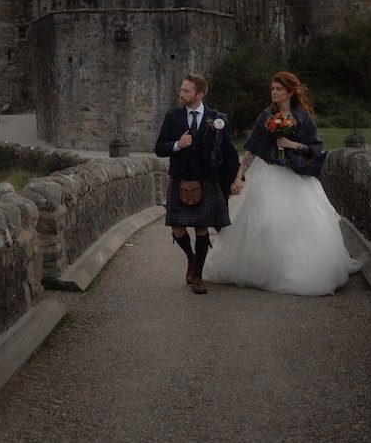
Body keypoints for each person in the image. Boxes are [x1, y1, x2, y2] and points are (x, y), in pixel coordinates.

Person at [202, 71, 360, 296]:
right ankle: (260, 268)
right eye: (272, 89)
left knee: (296, 223)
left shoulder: (302, 118)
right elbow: (252, 150)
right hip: (267, 172)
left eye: (278, 89)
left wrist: (291, 144)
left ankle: (293, 269)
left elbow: (314, 148)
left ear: (289, 91)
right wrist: (238, 177)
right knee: (264, 219)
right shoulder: (266, 116)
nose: (274, 92)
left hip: (295, 174)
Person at [154, 73, 239, 294]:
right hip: (180, 179)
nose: (181, 94)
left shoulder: (216, 119)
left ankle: (199, 276)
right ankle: (191, 258)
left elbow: (229, 152)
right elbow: (159, 148)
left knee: (202, 228)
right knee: (177, 229)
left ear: (199, 94)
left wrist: (235, 179)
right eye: (181, 89)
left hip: (206, 180)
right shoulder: (173, 117)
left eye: (186, 91)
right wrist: (177, 144)